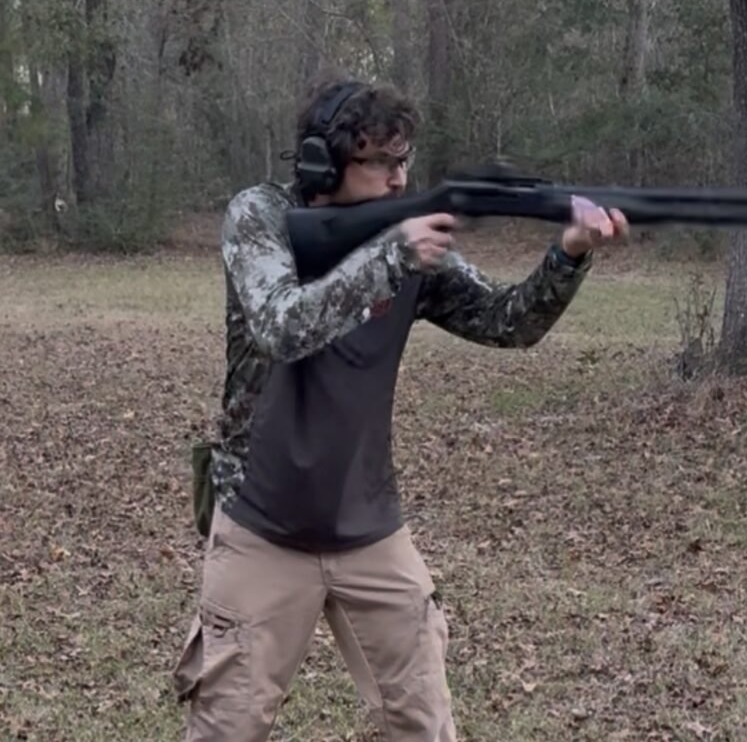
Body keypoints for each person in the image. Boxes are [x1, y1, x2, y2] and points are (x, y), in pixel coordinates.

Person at [172, 73, 629, 742]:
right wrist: (390, 257)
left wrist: (569, 254)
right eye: (378, 160)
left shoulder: (411, 243)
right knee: (226, 725)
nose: (395, 178)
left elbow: (507, 322)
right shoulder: (260, 217)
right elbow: (279, 324)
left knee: (423, 722)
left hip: (370, 529)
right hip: (259, 524)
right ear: (321, 160)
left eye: (403, 160)